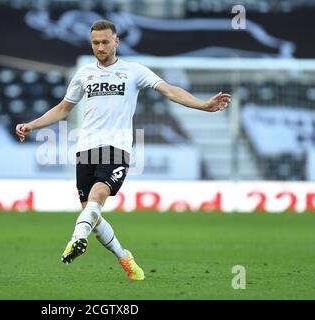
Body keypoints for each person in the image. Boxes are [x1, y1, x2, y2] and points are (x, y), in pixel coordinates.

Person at [15, 19, 231, 281]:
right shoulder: (84, 74)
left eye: (105, 42)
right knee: (91, 215)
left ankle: (76, 239)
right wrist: (32, 125)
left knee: (98, 195)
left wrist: (203, 105)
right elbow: (63, 109)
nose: (100, 47)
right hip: (86, 150)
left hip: (116, 148)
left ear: (116, 41)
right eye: (95, 43)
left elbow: (170, 91)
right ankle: (125, 258)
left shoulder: (134, 71)